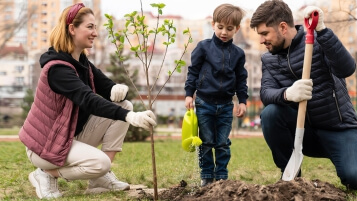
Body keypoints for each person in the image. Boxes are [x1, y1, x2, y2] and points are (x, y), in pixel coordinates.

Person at [18, 3, 157, 199]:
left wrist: (119, 89)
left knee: (124, 105)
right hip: (45, 146)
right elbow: (88, 99)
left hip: (67, 136)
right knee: (99, 163)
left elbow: (107, 88)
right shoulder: (57, 69)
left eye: (95, 27)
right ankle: (45, 174)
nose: (95, 33)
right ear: (72, 29)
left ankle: (100, 179)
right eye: (90, 27)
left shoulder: (82, 62)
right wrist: (129, 117)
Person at [250, 0, 357, 190]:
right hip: (302, 132)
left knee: (356, 178)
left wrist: (323, 31)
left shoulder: (318, 42)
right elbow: (266, 93)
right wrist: (287, 94)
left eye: (265, 33)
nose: (261, 40)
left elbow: (347, 68)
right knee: (270, 113)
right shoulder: (268, 59)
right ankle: (290, 176)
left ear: (282, 27)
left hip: (337, 128)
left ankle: (345, 156)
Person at [184, 3, 248, 187]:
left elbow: (241, 79)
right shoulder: (203, 48)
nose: (224, 32)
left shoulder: (238, 54)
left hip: (226, 105)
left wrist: (242, 101)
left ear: (236, 29)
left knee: (222, 143)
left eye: (229, 29)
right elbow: (193, 72)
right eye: (220, 27)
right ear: (213, 24)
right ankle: (206, 176)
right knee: (206, 142)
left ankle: (221, 177)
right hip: (204, 103)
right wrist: (189, 94)